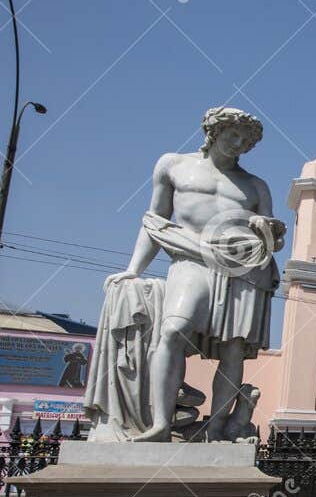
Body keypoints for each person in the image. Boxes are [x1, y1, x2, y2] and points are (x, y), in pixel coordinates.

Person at [99, 107, 283, 441]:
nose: (237, 143)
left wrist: (265, 226)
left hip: (241, 269)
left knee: (233, 349)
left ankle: (215, 429)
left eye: (244, 140)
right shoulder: (174, 165)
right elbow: (155, 221)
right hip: (191, 258)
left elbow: (270, 236)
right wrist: (132, 270)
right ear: (214, 132)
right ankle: (160, 424)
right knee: (173, 330)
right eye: (232, 135)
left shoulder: (255, 186)